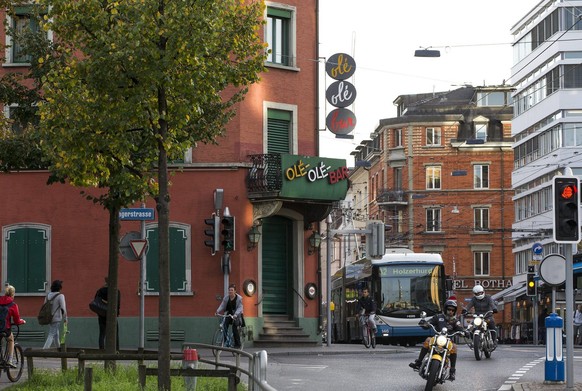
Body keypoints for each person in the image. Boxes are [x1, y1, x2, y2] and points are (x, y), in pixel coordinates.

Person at [409, 299, 468, 381]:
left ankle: (452, 371)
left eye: (452, 310)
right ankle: (418, 363)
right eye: (449, 309)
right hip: (437, 338)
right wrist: (425, 324)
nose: (450, 311)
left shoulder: (455, 321)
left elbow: (460, 328)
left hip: (448, 341)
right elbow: (430, 322)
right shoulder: (438, 317)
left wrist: (465, 332)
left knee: (454, 347)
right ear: (445, 309)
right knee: (428, 340)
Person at [0, 285, 25, 367]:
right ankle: (10, 360)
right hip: (5, 328)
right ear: (13, 294)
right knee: (11, 339)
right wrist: (22, 321)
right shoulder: (13, 305)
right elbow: (17, 320)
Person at [95, 277, 121, 350]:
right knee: (115, 333)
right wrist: (117, 313)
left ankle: (101, 349)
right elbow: (118, 304)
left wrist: (99, 313)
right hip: (112, 314)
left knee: (102, 333)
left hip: (102, 314)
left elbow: (96, 302)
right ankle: (116, 349)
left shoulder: (100, 291)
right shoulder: (116, 291)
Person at [215, 284, 243, 349]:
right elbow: (222, 305)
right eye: (229, 290)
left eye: (232, 290)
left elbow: (240, 307)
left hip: (236, 315)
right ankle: (225, 341)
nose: (230, 291)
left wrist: (235, 314)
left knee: (234, 329)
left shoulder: (239, 298)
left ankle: (237, 344)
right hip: (228, 314)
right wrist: (217, 311)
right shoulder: (226, 298)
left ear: (235, 291)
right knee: (224, 325)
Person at [42, 280, 67, 349]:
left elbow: (44, 306)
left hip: (49, 317)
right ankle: (44, 351)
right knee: (52, 334)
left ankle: (58, 348)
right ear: (59, 287)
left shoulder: (47, 296)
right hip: (56, 318)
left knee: (56, 334)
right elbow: (63, 309)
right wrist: (65, 319)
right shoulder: (60, 296)